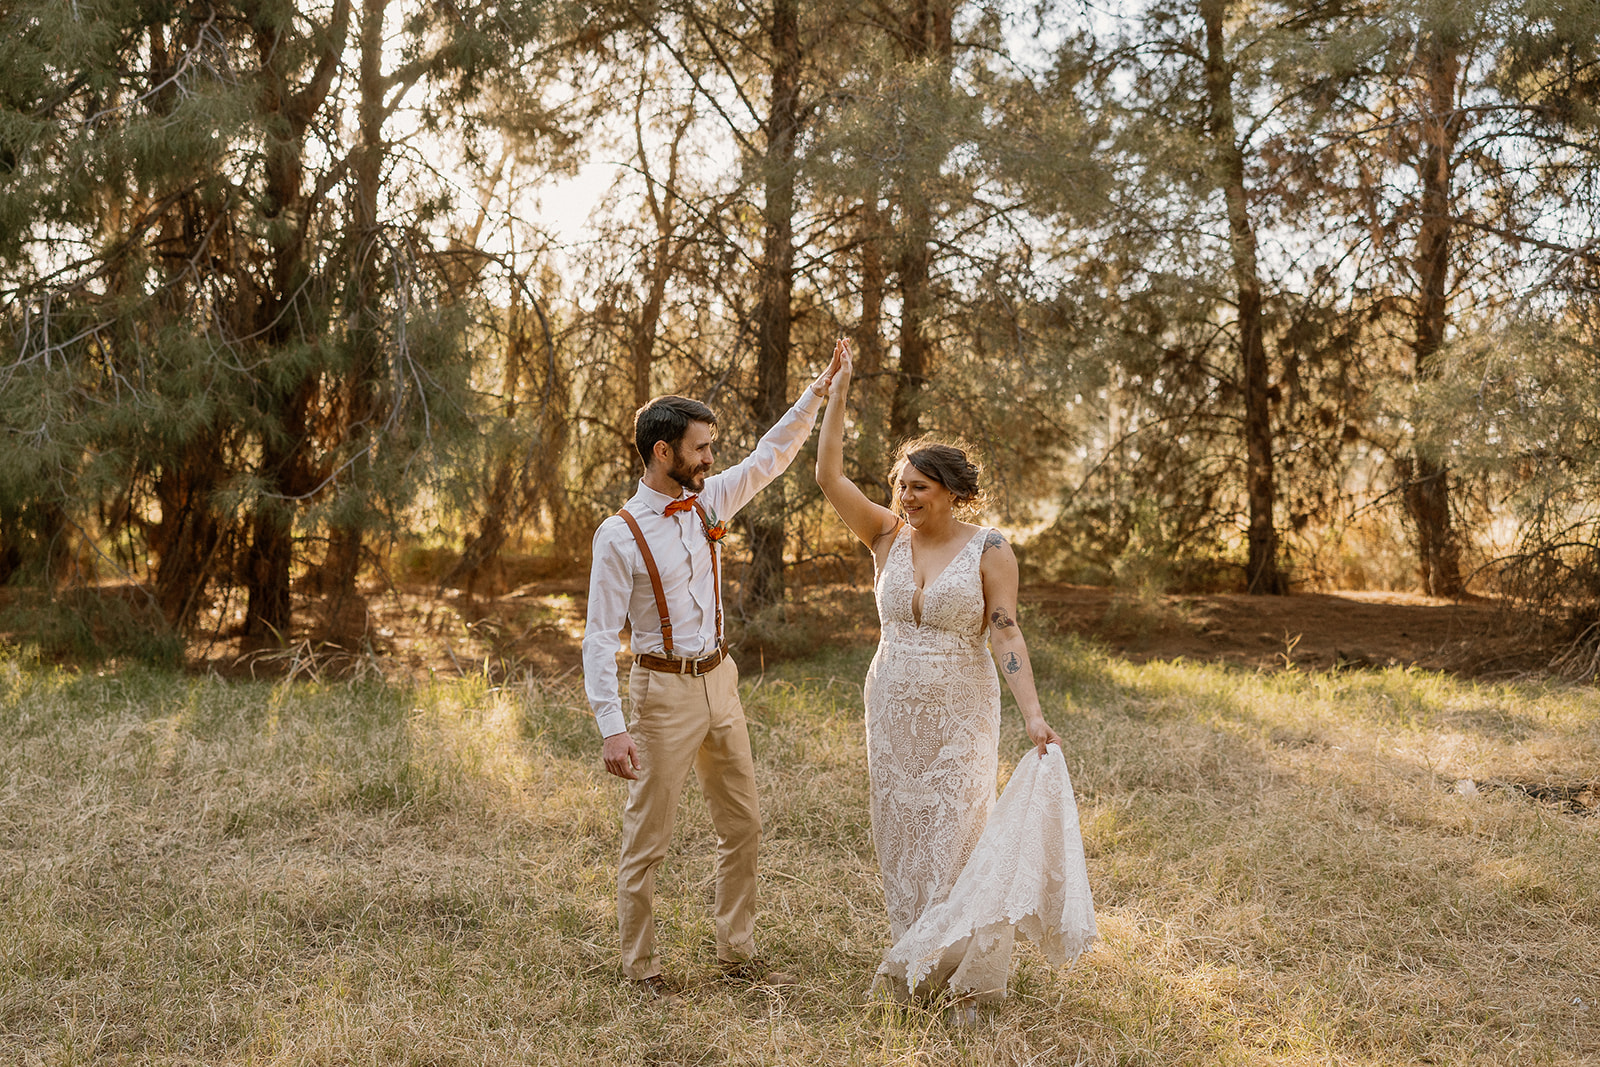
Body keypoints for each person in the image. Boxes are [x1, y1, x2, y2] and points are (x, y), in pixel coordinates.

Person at [814, 337, 1070, 1008]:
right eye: (900, 485)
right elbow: (828, 476)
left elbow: (1006, 631)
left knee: (956, 834)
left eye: (918, 487)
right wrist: (836, 393)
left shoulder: (990, 550)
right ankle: (918, 956)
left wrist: (1033, 715)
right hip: (892, 701)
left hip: (963, 707)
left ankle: (953, 972)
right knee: (901, 839)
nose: (904, 496)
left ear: (953, 492)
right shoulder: (883, 535)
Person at [582, 347, 843, 998]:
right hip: (661, 690)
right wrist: (612, 726)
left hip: (720, 680)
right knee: (649, 836)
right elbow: (596, 636)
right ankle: (641, 968)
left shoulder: (709, 501)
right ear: (663, 452)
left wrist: (815, 394)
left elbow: (770, 455)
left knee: (744, 823)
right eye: (700, 448)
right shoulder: (618, 535)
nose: (710, 459)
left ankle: (737, 950)